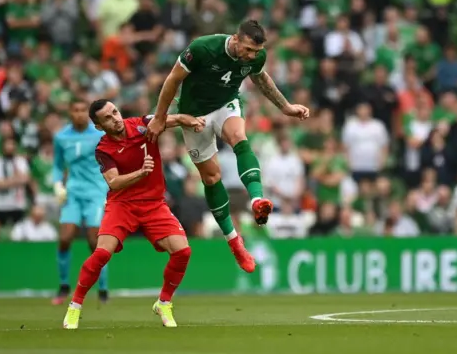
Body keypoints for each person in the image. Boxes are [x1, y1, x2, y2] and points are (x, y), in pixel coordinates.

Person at [145, 20, 310, 273]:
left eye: (256, 51)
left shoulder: (256, 57)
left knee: (239, 138)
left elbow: (261, 79)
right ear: (235, 39)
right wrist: (159, 118)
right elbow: (172, 80)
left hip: (226, 103)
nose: (251, 56)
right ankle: (234, 242)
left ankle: (257, 200)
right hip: (194, 113)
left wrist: (286, 107)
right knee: (211, 178)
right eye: (247, 49)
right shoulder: (203, 48)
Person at [63, 100, 204, 330]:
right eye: (107, 118)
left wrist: (193, 121)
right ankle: (75, 306)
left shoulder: (142, 125)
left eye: (115, 112)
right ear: (99, 126)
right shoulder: (103, 149)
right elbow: (114, 182)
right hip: (122, 205)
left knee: (183, 251)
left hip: (153, 204)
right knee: (101, 255)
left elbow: (175, 119)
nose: (115, 118)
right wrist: (141, 173)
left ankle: (164, 302)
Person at [51, 100, 110, 305]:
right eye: (75, 110)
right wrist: (58, 184)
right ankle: (64, 285)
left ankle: (103, 289)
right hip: (73, 193)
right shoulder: (61, 137)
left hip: (96, 192)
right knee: (65, 237)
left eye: (83, 110)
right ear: (70, 112)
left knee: (94, 241)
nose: (79, 114)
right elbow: (58, 165)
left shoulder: (100, 134)